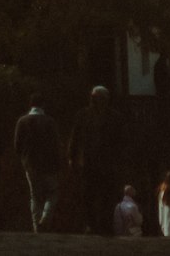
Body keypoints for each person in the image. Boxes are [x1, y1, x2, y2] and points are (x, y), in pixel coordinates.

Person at [68, 84, 126, 236]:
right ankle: (96, 224)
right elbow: (75, 138)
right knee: (93, 195)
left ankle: (97, 224)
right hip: (96, 163)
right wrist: (72, 156)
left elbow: (75, 138)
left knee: (98, 195)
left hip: (98, 163)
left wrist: (72, 157)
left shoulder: (87, 115)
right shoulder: (113, 116)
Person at [14, 95, 63, 233]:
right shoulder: (50, 122)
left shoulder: (22, 121)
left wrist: (24, 158)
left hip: (30, 164)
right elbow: (56, 145)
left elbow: (17, 145)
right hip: (49, 165)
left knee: (34, 195)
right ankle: (45, 218)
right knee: (52, 193)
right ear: (43, 105)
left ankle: (36, 226)